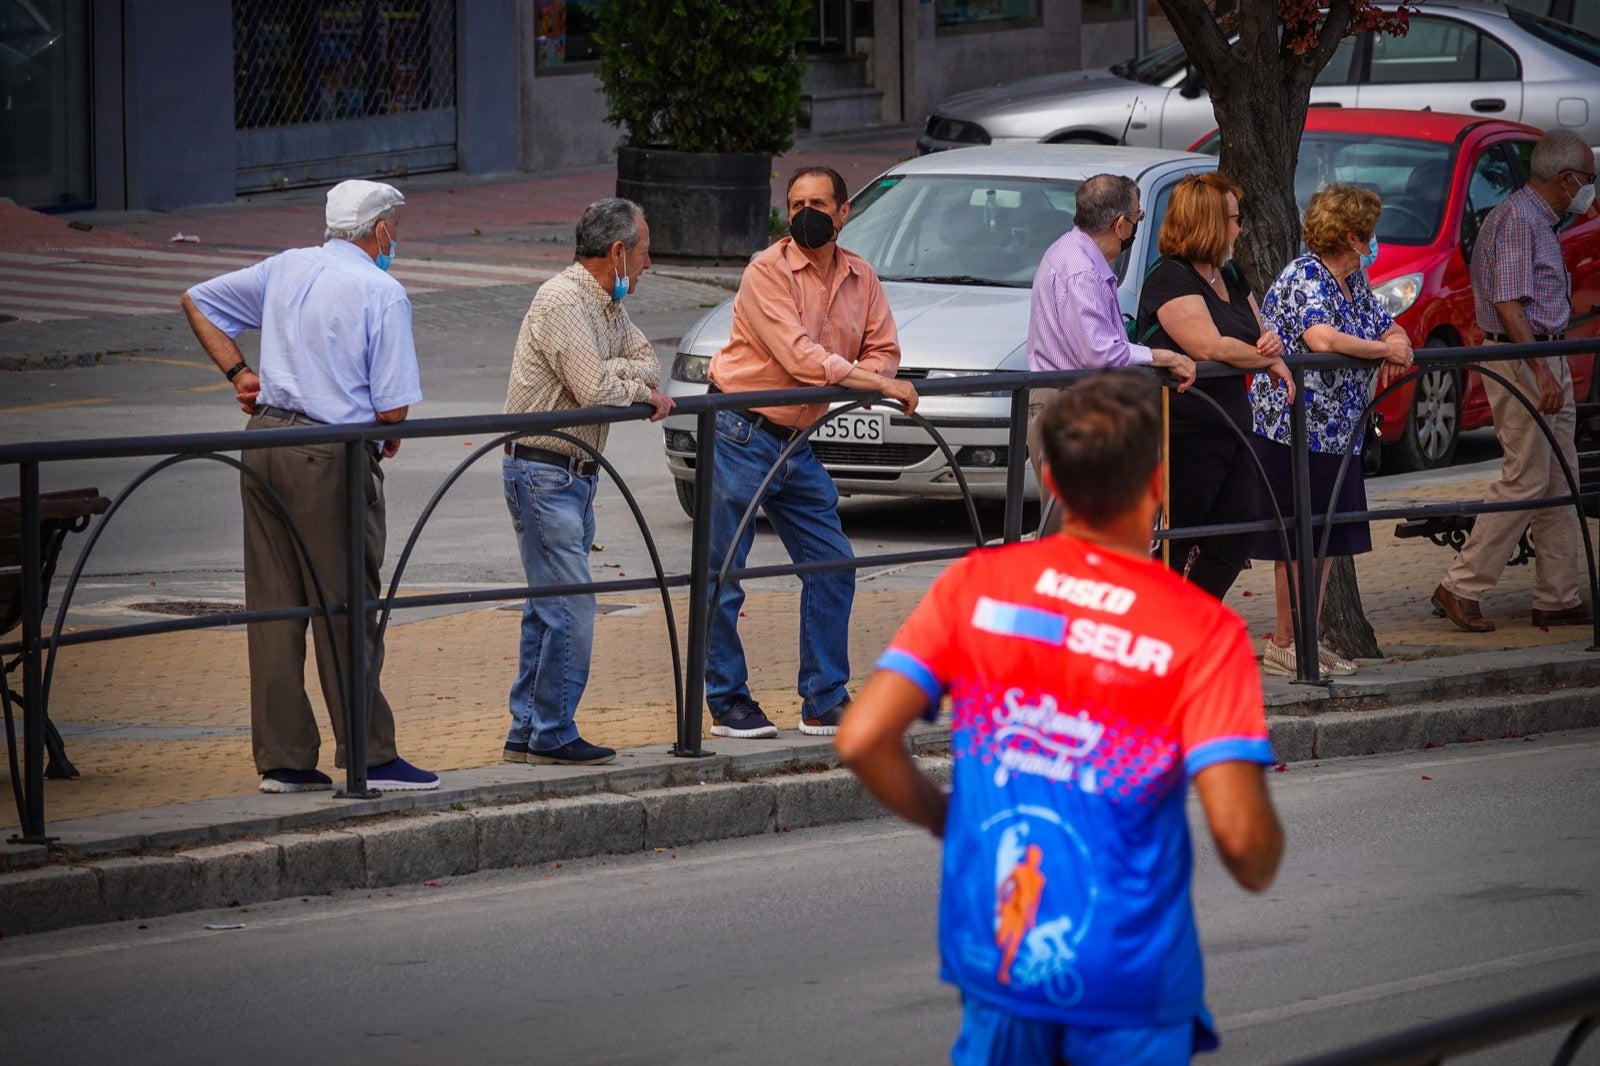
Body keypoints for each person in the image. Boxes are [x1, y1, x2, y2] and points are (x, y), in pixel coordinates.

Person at [836, 371, 1284, 1066]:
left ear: (1050, 480)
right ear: (1158, 483)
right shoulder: (1200, 631)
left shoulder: (975, 586)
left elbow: (863, 737)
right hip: (1130, 982)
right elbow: (1245, 844)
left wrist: (945, 816)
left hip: (999, 959)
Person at [180, 179, 438, 793]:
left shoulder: (287, 266)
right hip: (329, 452)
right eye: (395, 228)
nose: (396, 238)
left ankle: (285, 761)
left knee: (276, 605)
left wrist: (239, 372)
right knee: (345, 605)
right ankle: (371, 755)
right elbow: (394, 409)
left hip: (264, 442)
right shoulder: (382, 290)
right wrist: (382, 428)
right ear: (380, 230)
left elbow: (197, 300)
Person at [703, 165, 919, 740]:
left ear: (844, 212)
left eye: (818, 204)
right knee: (723, 573)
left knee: (832, 564)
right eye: (796, 204)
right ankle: (726, 701)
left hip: (797, 442)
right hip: (740, 430)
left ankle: (823, 699)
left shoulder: (861, 276)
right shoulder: (765, 271)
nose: (805, 215)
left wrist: (875, 375)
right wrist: (877, 384)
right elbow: (801, 359)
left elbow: (884, 348)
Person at [501, 198, 674, 766]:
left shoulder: (607, 305)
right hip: (543, 471)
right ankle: (552, 731)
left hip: (572, 475)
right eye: (645, 250)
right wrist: (631, 385)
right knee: (571, 607)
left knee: (547, 607)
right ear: (619, 251)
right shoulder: (562, 300)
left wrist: (620, 374)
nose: (649, 262)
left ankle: (528, 728)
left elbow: (648, 362)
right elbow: (593, 389)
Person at [1432, 129, 1596, 633]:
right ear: (1566, 179)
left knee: (1560, 476)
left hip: (1540, 353)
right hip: (1525, 356)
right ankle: (1461, 585)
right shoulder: (1522, 220)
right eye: (1588, 179)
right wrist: (1541, 369)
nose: (1589, 189)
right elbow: (1508, 304)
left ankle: (1557, 596)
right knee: (1527, 476)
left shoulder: (1532, 217)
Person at [1251, 184, 1413, 678]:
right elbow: (1322, 339)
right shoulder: (1304, 275)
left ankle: (1306, 638)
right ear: (1351, 236)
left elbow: (1387, 325)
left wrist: (1398, 342)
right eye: (1370, 233)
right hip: (1296, 429)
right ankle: (1285, 642)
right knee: (1299, 540)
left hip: (1339, 433)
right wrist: (1385, 351)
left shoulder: (1353, 279)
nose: (1374, 241)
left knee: (1324, 543)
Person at [1134, 173, 1292, 598]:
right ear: (1209, 223)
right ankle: (1159, 628)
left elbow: (1259, 332)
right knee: (1177, 540)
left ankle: (1194, 618)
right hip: (1186, 433)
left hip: (1232, 427)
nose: (1240, 229)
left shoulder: (1231, 272)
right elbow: (1209, 346)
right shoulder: (1170, 277)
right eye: (1235, 220)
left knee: (1239, 530)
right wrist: (1268, 358)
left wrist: (1271, 345)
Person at [1027, 172, 1197, 530]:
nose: (1136, 226)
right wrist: (1162, 356)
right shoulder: (1080, 268)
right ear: (1120, 225)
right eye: (1138, 217)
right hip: (1071, 407)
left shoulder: (1074, 255)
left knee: (1085, 528)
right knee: (1076, 530)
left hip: (1074, 404)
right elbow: (1100, 353)